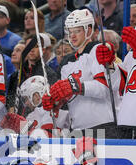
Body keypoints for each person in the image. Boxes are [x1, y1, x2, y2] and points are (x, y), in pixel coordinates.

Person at [42, 9, 118, 139]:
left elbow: (104, 89)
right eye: (70, 32)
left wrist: (75, 86)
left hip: (102, 125)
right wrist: (55, 101)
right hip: (76, 128)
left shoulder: (98, 50)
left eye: (77, 31)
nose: (72, 36)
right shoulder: (66, 62)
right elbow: (68, 98)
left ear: (88, 30)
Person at [6, 34, 59, 115]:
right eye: (28, 46)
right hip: (18, 121)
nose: (31, 50)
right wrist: (11, 111)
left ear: (43, 50)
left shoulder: (48, 73)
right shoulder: (16, 75)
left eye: (36, 46)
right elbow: (10, 98)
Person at [1, 75, 70, 137]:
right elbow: (26, 139)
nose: (26, 103)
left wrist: (24, 127)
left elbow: (48, 138)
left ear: (37, 96)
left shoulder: (63, 112)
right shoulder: (31, 116)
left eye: (26, 99)